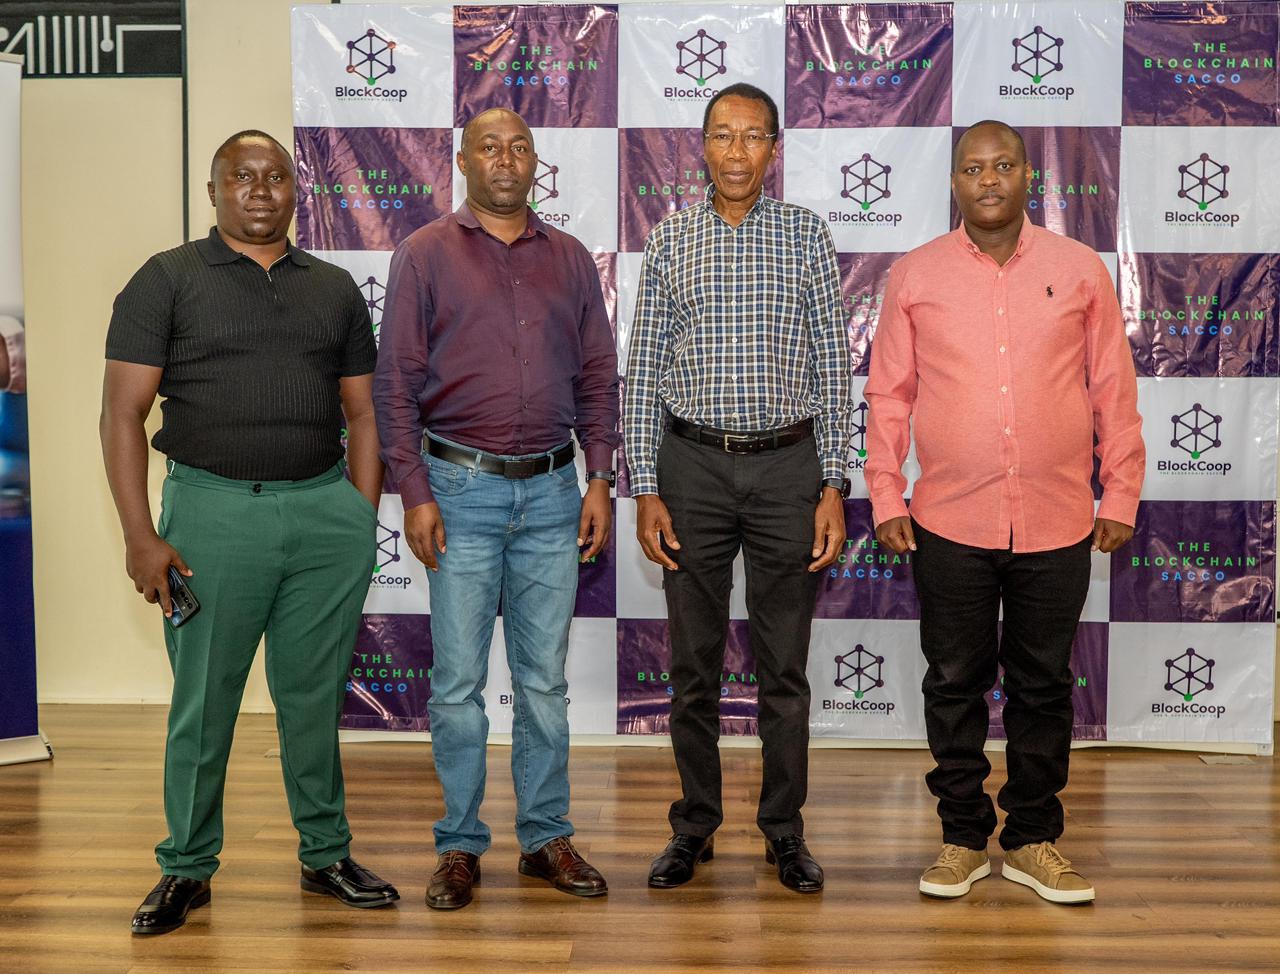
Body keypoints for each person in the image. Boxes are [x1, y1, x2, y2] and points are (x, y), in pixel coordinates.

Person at [102, 130, 398, 935]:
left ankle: (325, 855)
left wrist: (356, 517)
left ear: (297, 191)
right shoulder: (166, 279)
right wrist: (140, 536)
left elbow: (364, 412)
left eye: (275, 177)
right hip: (212, 518)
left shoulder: (333, 288)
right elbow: (122, 413)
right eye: (242, 176)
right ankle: (186, 867)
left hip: (323, 517)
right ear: (214, 190)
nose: (260, 190)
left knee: (312, 699)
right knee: (204, 704)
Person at [865, 119, 1145, 905]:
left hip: (1059, 519)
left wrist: (1120, 490)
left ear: (1028, 176)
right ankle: (961, 837)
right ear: (954, 182)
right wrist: (885, 493)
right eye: (972, 168)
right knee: (954, 683)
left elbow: (1112, 389)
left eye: (1003, 165)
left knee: (1043, 686)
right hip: (948, 520)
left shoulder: (1079, 269)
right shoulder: (914, 275)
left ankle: (1031, 840)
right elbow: (889, 395)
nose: (987, 179)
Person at [374, 108, 619, 910]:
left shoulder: (571, 258)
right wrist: (414, 492)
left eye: (519, 146)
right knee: (456, 687)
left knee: (544, 684)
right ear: (463, 161)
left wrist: (599, 478)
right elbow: (394, 385)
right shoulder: (424, 254)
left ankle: (546, 837)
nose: (505, 159)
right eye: (489, 147)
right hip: (459, 492)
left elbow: (597, 376)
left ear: (535, 161)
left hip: (553, 494)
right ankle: (458, 845)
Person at [624, 83, 853, 894]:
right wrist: (645, 487)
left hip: (789, 470)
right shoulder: (671, 239)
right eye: (722, 135)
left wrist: (834, 482)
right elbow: (643, 370)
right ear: (703, 146)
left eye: (752, 136)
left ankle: (784, 831)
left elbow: (834, 365)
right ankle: (694, 824)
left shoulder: (806, 235)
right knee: (694, 665)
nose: (736, 151)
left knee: (783, 668)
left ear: (773, 149)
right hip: (691, 469)